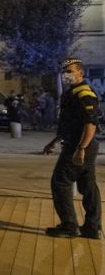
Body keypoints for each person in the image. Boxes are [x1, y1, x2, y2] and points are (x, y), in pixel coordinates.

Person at [43, 58, 101, 239]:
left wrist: (81, 148)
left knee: (60, 182)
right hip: (79, 144)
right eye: (64, 71)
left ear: (80, 73)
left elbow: (90, 124)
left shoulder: (84, 93)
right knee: (87, 185)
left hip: (80, 145)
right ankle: (92, 228)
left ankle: (69, 226)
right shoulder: (72, 93)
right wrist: (55, 140)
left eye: (69, 71)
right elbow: (70, 122)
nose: (65, 75)